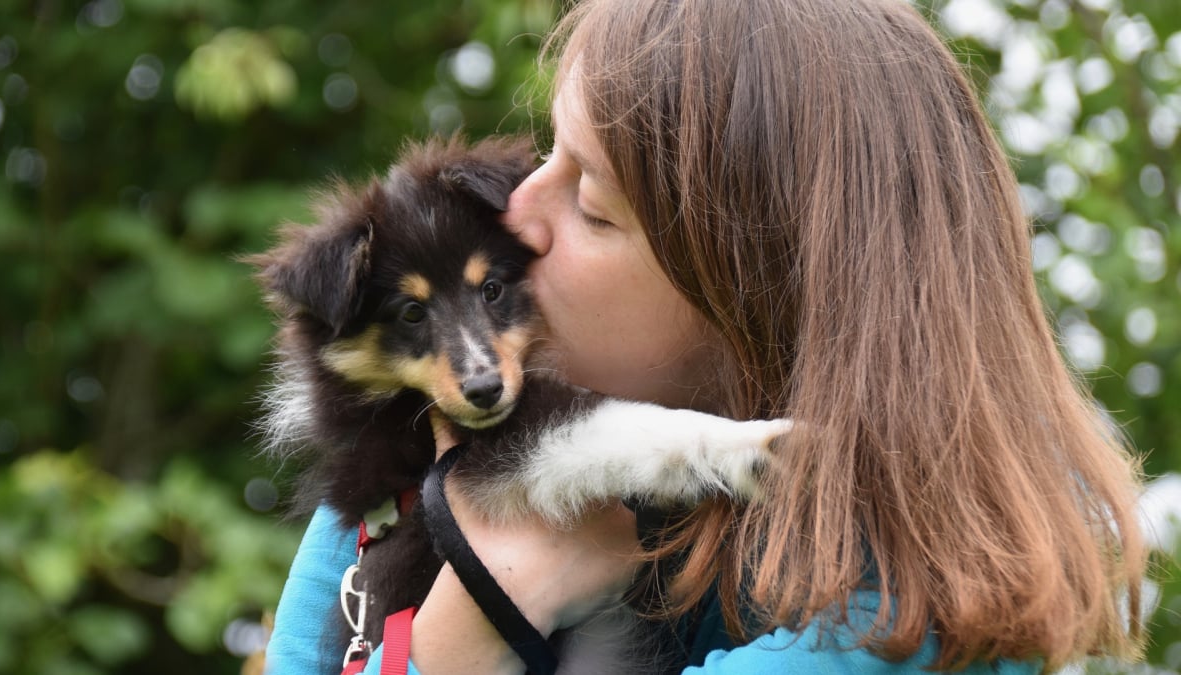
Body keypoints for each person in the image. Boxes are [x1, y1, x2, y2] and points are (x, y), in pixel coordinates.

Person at [265, 0, 1147, 672]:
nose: (516, 213)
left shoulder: (908, 615)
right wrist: (490, 590)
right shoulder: (405, 471)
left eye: (594, 204)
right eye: (549, 153)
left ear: (751, 292)